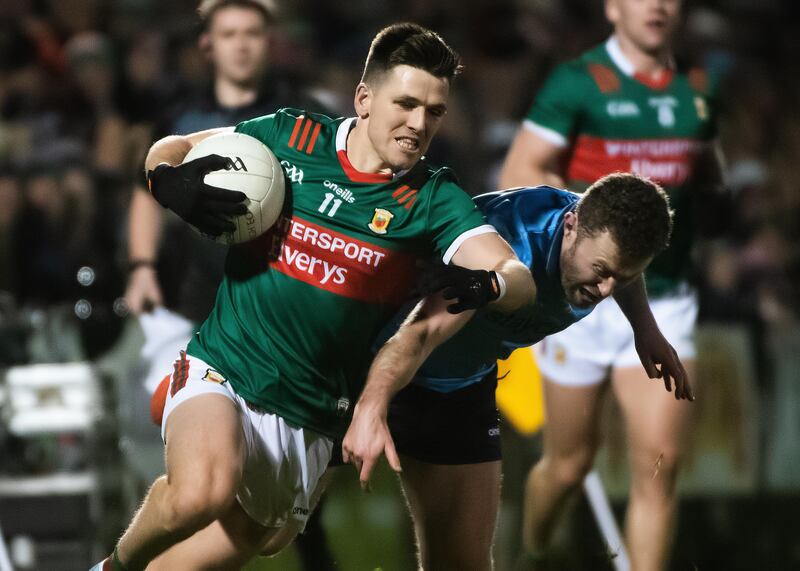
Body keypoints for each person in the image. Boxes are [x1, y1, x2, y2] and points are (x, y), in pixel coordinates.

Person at [92, 22, 535, 571]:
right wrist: (166, 179)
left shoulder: (431, 199)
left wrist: (488, 282)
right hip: (225, 363)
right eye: (406, 103)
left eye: (435, 111)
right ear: (364, 98)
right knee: (200, 492)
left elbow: (516, 276)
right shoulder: (291, 137)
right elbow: (173, 147)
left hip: (313, 410)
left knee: (256, 538)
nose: (419, 124)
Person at [342, 172, 690, 571]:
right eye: (602, 270)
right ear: (571, 225)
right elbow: (418, 336)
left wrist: (645, 328)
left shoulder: (600, 233)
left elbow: (619, 265)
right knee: (272, 528)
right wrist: (373, 403)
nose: (608, 289)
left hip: (459, 385)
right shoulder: (508, 247)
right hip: (366, 363)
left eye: (623, 277)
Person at [498, 0, 724, 568]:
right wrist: (602, 227)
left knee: (659, 466)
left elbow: (708, 185)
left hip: (665, 298)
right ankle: (534, 550)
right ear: (612, 7)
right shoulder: (579, 83)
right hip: (586, 295)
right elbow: (517, 175)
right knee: (569, 463)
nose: (657, 6)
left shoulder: (698, 90)